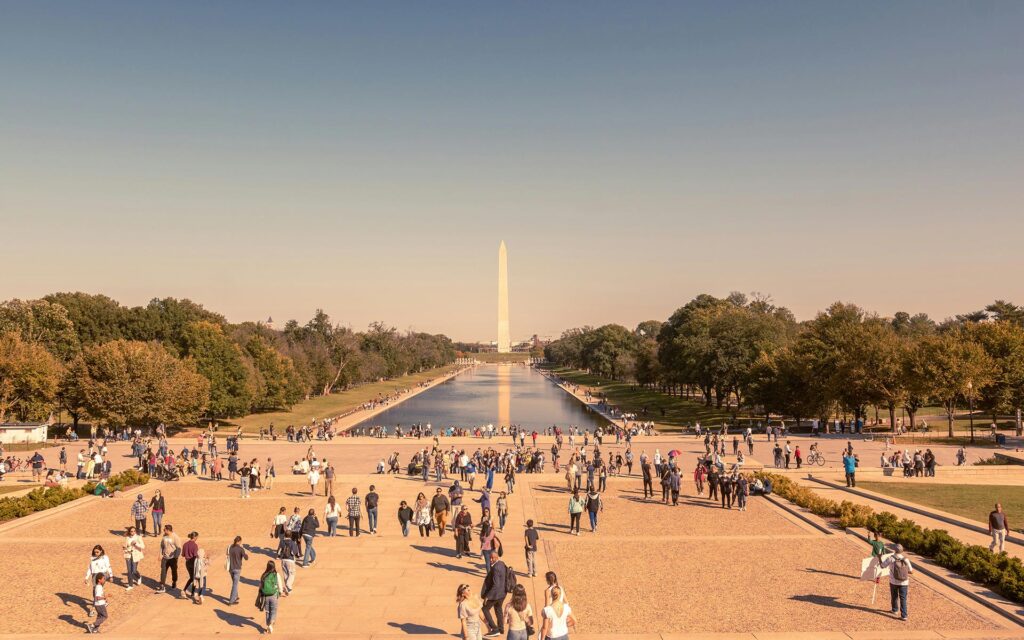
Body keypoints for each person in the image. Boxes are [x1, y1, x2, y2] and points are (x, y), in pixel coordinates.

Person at [880, 543, 913, 620]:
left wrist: (879, 557)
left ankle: (895, 610)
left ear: (894, 550)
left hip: (893, 581)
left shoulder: (891, 558)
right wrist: (903, 572)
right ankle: (904, 616)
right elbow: (911, 571)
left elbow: (882, 566)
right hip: (904, 582)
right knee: (903, 598)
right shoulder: (906, 559)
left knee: (894, 596)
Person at [481, 551, 508, 637]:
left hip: (496, 594)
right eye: (490, 558)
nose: (491, 560)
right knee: (498, 609)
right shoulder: (502, 563)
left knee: (485, 609)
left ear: (497, 557)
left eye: (493, 558)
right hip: (503, 593)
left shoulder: (495, 568)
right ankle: (501, 628)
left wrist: (488, 596)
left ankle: (495, 629)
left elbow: (496, 584)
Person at [258, 560, 288, 634]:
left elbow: (260, 586)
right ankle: (271, 625)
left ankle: (268, 624)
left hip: (265, 596)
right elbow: (280, 584)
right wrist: (280, 592)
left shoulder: (263, 575)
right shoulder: (276, 574)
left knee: (267, 611)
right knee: (273, 611)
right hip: (274, 595)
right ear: (274, 566)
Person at [84, 545, 113, 616]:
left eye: (97, 552)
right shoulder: (92, 558)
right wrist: (86, 577)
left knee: (96, 591)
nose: (96, 553)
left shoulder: (105, 558)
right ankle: (104, 601)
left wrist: (111, 575)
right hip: (94, 576)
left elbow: (108, 566)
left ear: (101, 551)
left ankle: (93, 609)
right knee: (98, 590)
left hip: (102, 575)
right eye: (95, 552)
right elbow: (90, 568)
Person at [157, 524, 181, 593]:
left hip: (173, 558)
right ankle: (162, 586)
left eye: (164, 530)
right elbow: (161, 546)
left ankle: (174, 581)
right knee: (163, 572)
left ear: (168, 530)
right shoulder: (164, 536)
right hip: (165, 557)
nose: (163, 531)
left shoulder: (175, 537)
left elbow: (179, 548)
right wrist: (160, 554)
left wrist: (176, 557)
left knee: (174, 571)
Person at [226, 535, 248, 604]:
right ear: (239, 541)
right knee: (235, 584)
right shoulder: (241, 549)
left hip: (230, 568)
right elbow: (246, 558)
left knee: (234, 583)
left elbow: (227, 554)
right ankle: (231, 600)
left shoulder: (230, 547)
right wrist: (244, 551)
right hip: (237, 568)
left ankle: (236, 595)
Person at [181, 531, 200, 598]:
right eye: (197, 537)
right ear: (194, 537)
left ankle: (186, 590)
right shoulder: (195, 545)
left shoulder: (185, 544)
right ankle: (191, 592)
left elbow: (183, 555)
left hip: (187, 563)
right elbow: (196, 556)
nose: (197, 538)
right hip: (193, 563)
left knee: (192, 577)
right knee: (195, 578)